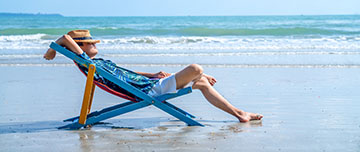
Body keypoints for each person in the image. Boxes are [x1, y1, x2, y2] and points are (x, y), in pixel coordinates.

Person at [44, 30, 263, 123]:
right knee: (197, 69)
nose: (94, 44)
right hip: (149, 91)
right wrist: (53, 49)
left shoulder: (99, 63)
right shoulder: (89, 62)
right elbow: (64, 38)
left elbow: (125, 74)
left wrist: (153, 74)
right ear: (80, 47)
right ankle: (239, 112)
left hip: (151, 84)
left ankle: (240, 114)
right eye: (90, 43)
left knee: (202, 82)